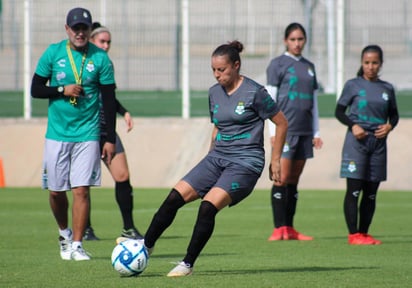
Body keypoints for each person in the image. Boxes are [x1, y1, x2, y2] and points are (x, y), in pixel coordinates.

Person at [122, 40, 287, 277]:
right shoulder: (213, 93)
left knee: (207, 207)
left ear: (236, 66)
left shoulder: (255, 92)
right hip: (217, 158)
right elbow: (218, 127)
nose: (217, 75)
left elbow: (282, 122)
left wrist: (276, 159)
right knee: (173, 198)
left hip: (245, 162)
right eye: (213, 70)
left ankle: (187, 263)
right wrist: (210, 158)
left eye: (222, 69)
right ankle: (145, 247)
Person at [31, 7, 117, 261]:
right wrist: (61, 89)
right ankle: (64, 233)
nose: (80, 33)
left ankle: (77, 245)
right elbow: (36, 89)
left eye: (84, 28)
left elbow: (110, 100)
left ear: (90, 31)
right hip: (57, 133)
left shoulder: (100, 58)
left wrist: (109, 137)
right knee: (57, 191)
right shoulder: (53, 52)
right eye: (75, 28)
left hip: (87, 133)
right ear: (67, 29)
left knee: (81, 190)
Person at [83, 22, 143, 241]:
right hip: (86, 128)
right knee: (84, 181)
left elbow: (108, 97)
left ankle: (129, 228)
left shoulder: (105, 63)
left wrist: (123, 111)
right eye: (102, 41)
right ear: (91, 41)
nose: (106, 45)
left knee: (122, 175)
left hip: (106, 127)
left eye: (109, 42)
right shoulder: (82, 64)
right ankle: (85, 229)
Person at [335, 45, 399, 245]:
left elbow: (394, 115)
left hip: (378, 144)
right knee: (354, 189)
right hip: (357, 143)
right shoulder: (353, 85)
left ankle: (364, 233)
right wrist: (353, 125)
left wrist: (389, 126)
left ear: (380, 64)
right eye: (367, 63)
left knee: (371, 192)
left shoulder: (387, 88)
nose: (370, 67)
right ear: (362, 63)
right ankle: (353, 234)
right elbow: (339, 111)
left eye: (375, 63)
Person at [265, 22, 323, 241]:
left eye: (300, 39)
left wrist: (316, 131)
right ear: (285, 41)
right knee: (281, 177)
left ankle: (289, 228)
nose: (297, 43)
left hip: (305, 130)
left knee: (294, 180)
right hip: (285, 131)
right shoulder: (277, 64)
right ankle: (278, 228)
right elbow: (270, 98)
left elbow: (314, 101)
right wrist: (272, 130)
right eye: (293, 39)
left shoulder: (309, 66)